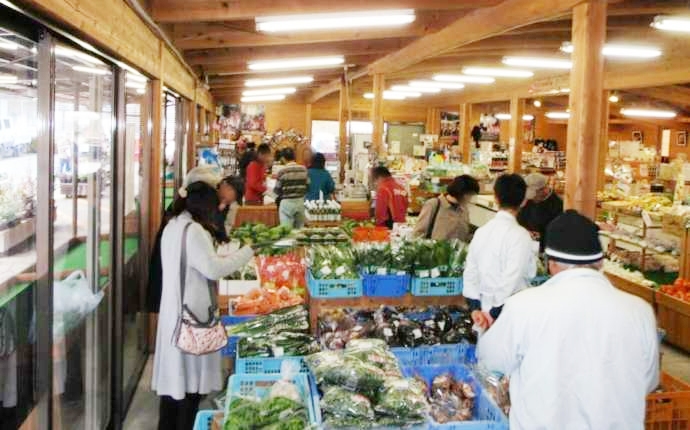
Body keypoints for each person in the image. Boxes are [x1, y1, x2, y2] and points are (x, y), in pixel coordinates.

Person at [477, 210, 659, 430]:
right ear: (600, 262)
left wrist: (484, 330)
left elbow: (491, 362)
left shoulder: (523, 306)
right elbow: (648, 381)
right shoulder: (639, 311)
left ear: (552, 263)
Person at [152, 180, 254, 430]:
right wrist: (246, 252)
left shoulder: (173, 225)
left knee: (173, 387)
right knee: (190, 386)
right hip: (192, 315)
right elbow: (212, 268)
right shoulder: (193, 230)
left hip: (174, 310)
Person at [463, 174, 536, 327]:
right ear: (523, 201)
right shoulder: (520, 235)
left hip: (483, 311)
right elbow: (512, 278)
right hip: (508, 312)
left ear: (495, 198)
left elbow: (470, 271)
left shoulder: (481, 232)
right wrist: (493, 313)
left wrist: (476, 308)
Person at [412, 175, 479, 241]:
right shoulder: (434, 204)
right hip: (434, 250)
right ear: (461, 192)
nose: (470, 199)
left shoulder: (464, 210)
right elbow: (418, 232)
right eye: (470, 195)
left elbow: (464, 235)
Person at [517, 172, 563, 251]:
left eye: (534, 194)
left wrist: (540, 235)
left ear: (544, 189)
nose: (532, 197)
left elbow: (558, 233)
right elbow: (520, 219)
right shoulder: (527, 200)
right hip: (525, 245)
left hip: (546, 250)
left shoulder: (558, 205)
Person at [274, 148, 309, 228]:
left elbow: (277, 190)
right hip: (300, 202)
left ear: (283, 158)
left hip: (286, 203)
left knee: (286, 230)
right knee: (299, 229)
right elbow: (308, 186)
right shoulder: (303, 169)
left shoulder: (282, 171)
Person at [215, 176, 243, 241]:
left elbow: (226, 225)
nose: (223, 192)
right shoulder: (211, 198)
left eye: (229, 189)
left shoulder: (231, 205)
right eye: (221, 188)